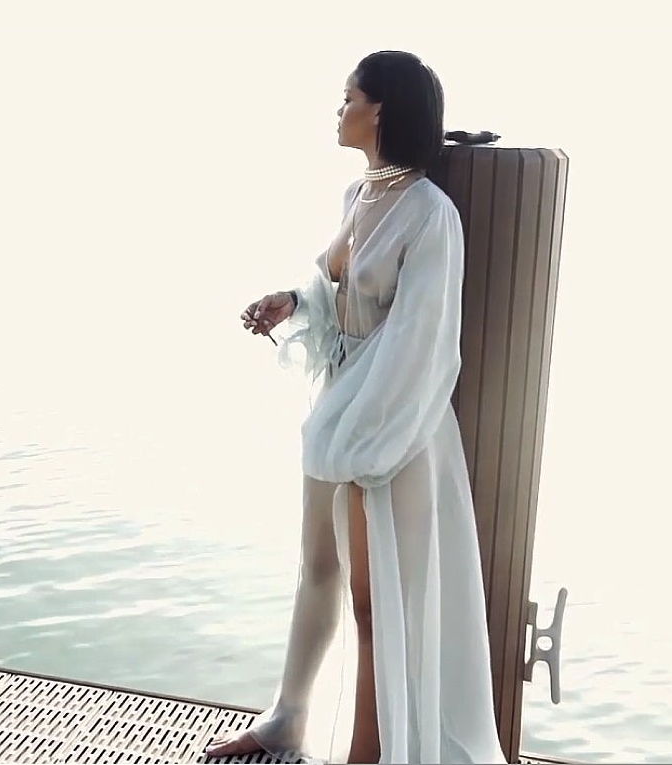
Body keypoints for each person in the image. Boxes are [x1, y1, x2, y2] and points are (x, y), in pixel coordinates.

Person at [205, 50, 508, 764]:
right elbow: (335, 289)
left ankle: (367, 754)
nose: (338, 110)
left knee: (376, 603)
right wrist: (291, 300)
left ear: (380, 110)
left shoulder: (431, 214)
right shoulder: (358, 194)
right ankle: (286, 719)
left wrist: (363, 443)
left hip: (390, 432)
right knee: (316, 569)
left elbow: (423, 341)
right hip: (339, 415)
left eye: (348, 98)